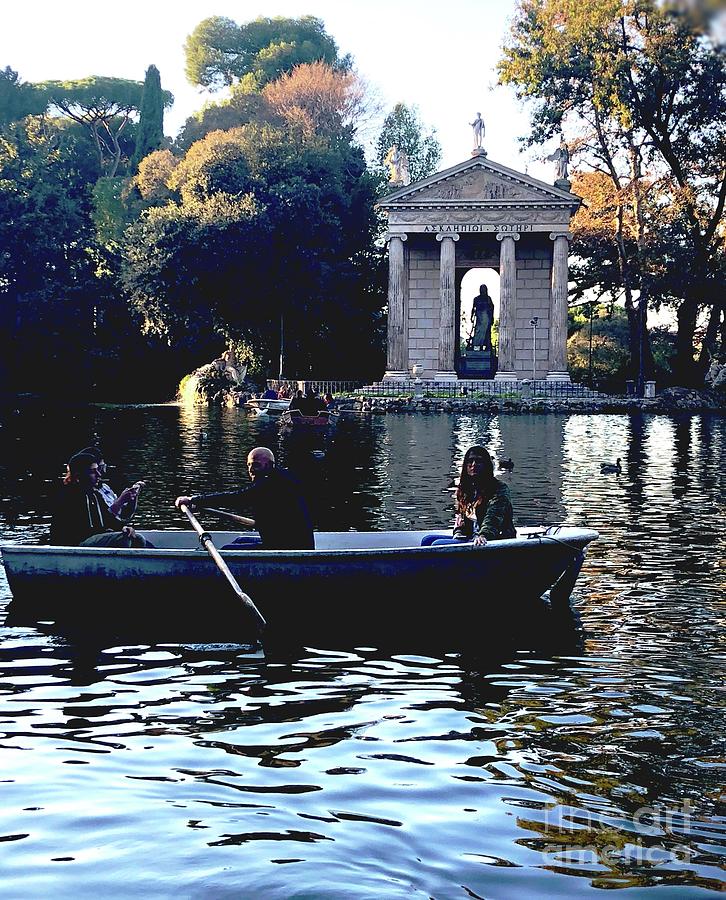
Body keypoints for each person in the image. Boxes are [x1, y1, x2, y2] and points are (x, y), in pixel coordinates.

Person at [175, 446, 314, 550]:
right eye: (249, 465)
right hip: (282, 542)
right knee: (239, 540)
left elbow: (235, 498)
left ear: (270, 465)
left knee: (227, 550)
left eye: (256, 465)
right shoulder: (279, 478)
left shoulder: (272, 484)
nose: (251, 470)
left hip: (289, 547)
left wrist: (193, 500)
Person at [50, 452, 153, 547]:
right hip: (76, 543)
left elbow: (108, 519)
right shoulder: (68, 497)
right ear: (78, 475)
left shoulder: (95, 495)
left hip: (92, 537)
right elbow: (77, 531)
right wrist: (109, 531)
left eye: (98, 470)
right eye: (93, 471)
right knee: (122, 539)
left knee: (138, 538)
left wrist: (123, 528)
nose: (98, 475)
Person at [421, 446, 515, 546]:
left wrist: (484, 535)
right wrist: (458, 532)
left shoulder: (498, 488)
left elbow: (494, 517)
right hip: (471, 537)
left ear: (486, 465)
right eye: (470, 461)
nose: (473, 465)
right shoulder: (465, 489)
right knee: (427, 540)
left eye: (479, 461)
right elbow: (460, 519)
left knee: (437, 544)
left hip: (492, 538)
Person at [77, 446, 144, 521]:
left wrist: (133, 497)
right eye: (99, 468)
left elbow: (124, 516)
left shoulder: (105, 488)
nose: (102, 472)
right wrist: (120, 501)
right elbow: (105, 520)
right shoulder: (86, 495)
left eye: (104, 467)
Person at [468, 285, 495, 351]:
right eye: (481, 289)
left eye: (484, 289)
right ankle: (477, 345)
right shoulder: (476, 299)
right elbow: (473, 308)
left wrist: (492, 318)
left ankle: (487, 346)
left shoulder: (488, 299)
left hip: (486, 318)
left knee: (486, 333)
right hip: (479, 318)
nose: (482, 290)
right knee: (477, 331)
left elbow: (491, 308)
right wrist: (471, 316)